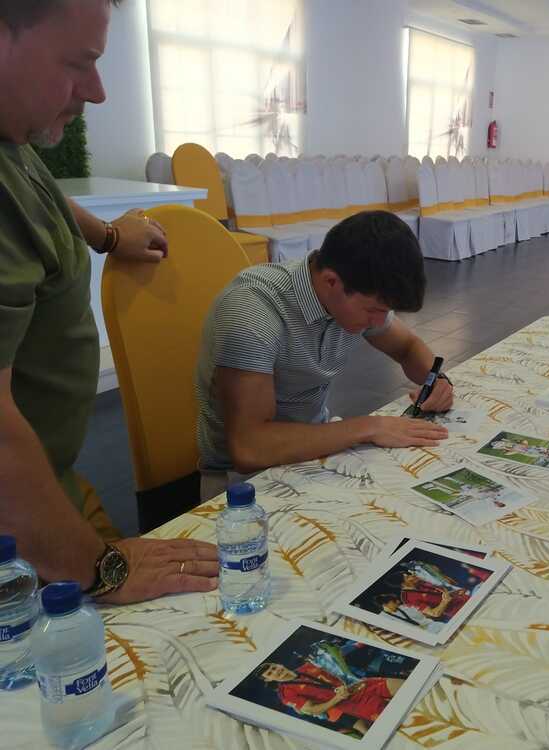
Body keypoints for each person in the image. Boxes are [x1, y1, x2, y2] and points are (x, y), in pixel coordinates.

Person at [0, 0, 218, 603]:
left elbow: (33, 193)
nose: (96, 92)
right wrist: (101, 569)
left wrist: (107, 235)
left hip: (54, 489)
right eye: (79, 63)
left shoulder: (9, 138)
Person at [195, 210, 454, 500]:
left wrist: (437, 380)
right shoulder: (254, 312)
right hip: (242, 481)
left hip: (315, 448)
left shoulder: (348, 294)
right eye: (373, 311)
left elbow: (407, 347)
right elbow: (250, 447)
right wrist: (369, 426)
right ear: (331, 281)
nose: (379, 322)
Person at [257, 660, 401, 734]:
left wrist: (349, 683)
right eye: (270, 673)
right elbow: (313, 710)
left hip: (359, 687)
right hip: (348, 705)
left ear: (279, 664)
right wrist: (338, 698)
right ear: (268, 680)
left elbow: (336, 676)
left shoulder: (307, 666)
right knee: (397, 719)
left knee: (403, 686)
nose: (276, 671)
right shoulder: (285, 693)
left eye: (274, 667)